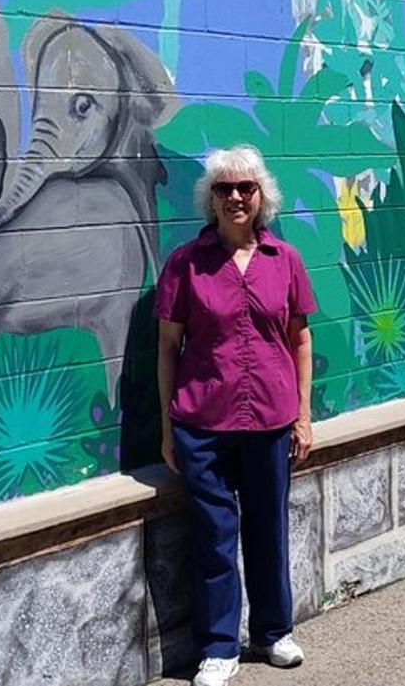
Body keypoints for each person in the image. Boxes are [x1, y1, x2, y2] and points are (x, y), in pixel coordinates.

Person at [155, 145, 316, 686]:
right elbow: (167, 348)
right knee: (214, 536)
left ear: (262, 196)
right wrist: (167, 428)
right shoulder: (185, 263)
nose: (235, 197)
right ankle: (220, 647)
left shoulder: (285, 260)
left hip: (271, 418)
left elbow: (300, 340)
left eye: (246, 188)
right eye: (224, 188)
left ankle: (273, 633)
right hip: (202, 422)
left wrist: (303, 416)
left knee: (269, 529)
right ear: (211, 198)